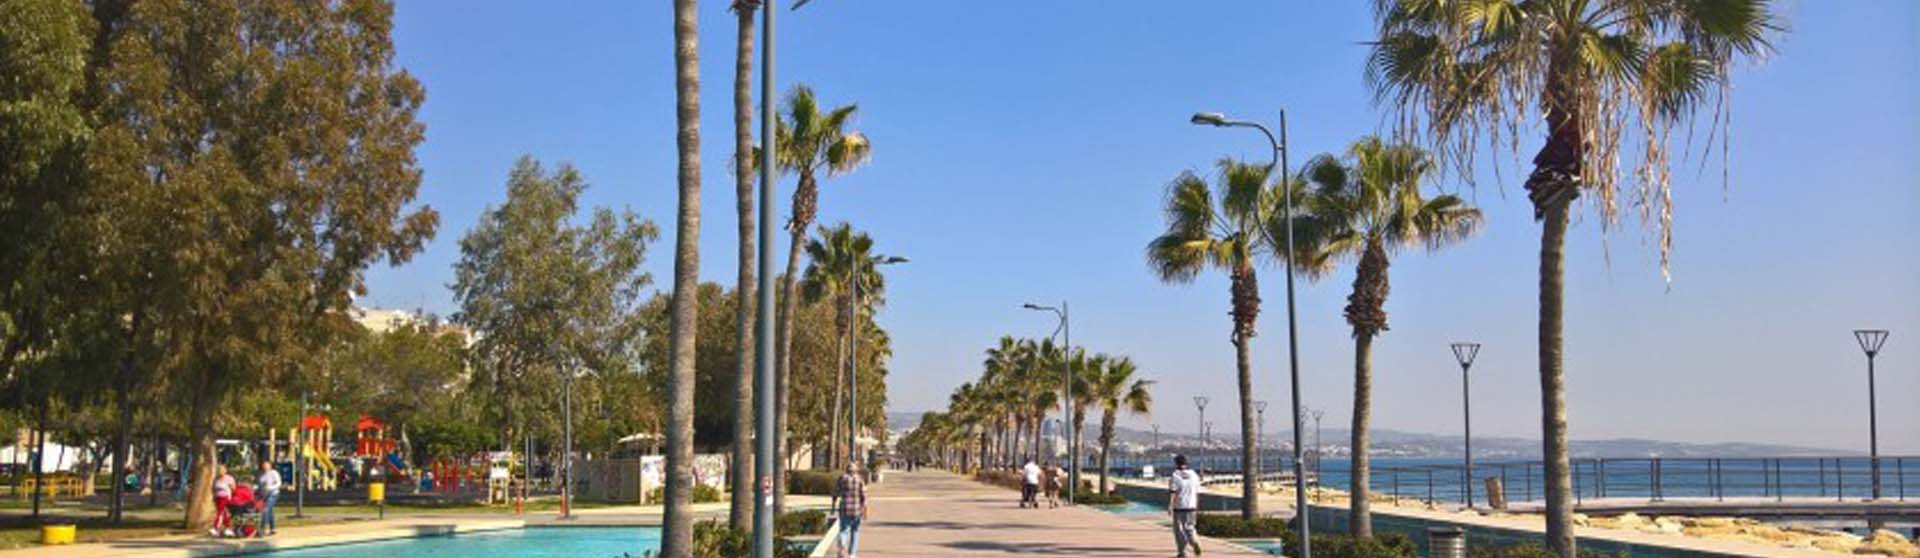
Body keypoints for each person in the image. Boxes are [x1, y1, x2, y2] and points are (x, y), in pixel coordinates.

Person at [832, 461, 869, 558]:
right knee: (855, 531)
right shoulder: (860, 479)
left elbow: (835, 493)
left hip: (844, 508)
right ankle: (852, 554)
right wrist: (865, 510)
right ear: (856, 470)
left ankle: (842, 545)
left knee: (843, 530)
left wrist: (833, 505)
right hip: (857, 509)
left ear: (846, 469)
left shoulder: (841, 478)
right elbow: (864, 496)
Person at [1168, 454, 1202, 557]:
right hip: (1192, 505)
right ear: (1186, 463)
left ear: (1176, 463)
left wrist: (1170, 506)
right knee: (1190, 527)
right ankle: (1194, 541)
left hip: (1179, 506)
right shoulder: (1194, 475)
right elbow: (1197, 492)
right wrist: (1197, 505)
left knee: (1179, 530)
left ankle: (1182, 552)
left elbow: (1173, 492)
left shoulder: (1175, 475)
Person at [210, 465, 237, 537]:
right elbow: (213, 488)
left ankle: (215, 528)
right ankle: (228, 528)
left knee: (220, 513)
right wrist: (214, 496)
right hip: (218, 497)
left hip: (225, 497)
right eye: (219, 470)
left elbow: (234, 488)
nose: (220, 471)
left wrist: (231, 489)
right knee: (224, 513)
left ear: (225, 470)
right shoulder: (216, 479)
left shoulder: (229, 478)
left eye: (222, 470)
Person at [256, 461, 281, 537]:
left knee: (266, 509)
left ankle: (262, 529)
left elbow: (279, 483)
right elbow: (260, 486)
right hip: (265, 496)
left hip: (273, 494)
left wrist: (270, 488)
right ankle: (272, 528)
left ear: (270, 466)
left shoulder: (274, 473)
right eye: (264, 465)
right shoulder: (262, 475)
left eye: (267, 465)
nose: (265, 466)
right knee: (269, 511)